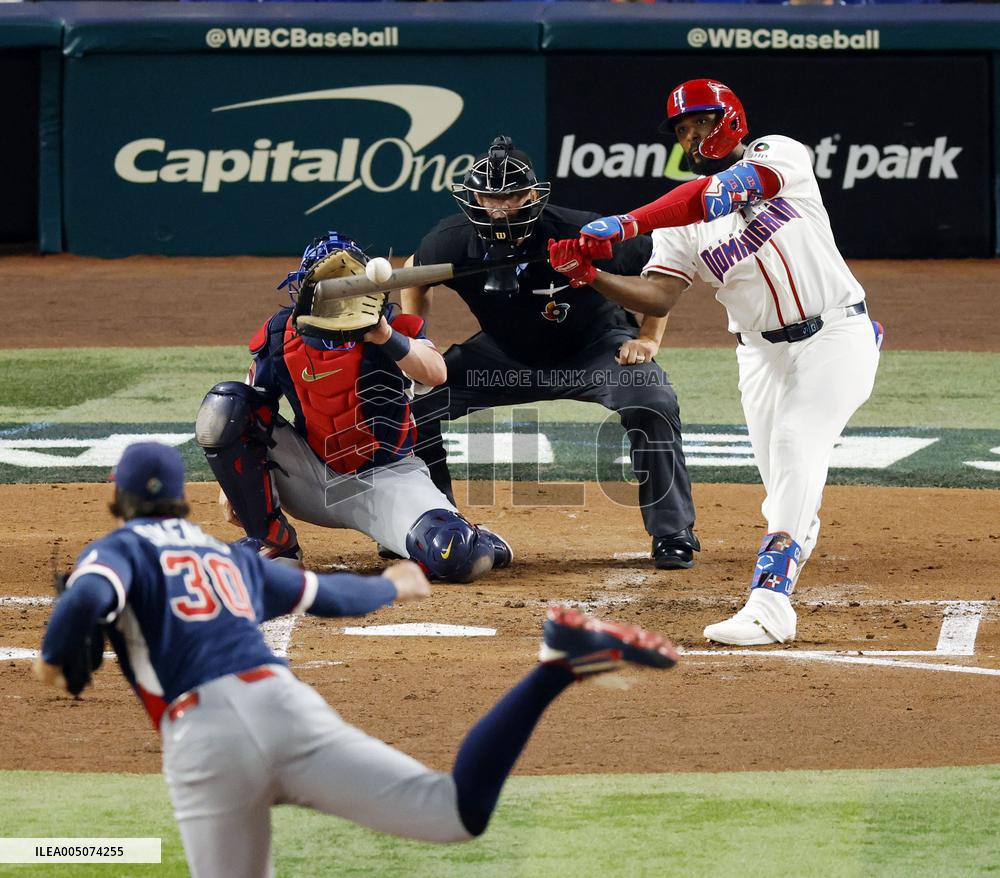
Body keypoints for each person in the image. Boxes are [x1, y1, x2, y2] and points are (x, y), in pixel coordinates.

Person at [34, 441, 679, 878]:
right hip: (283, 707)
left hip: (204, 736)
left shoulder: (116, 550)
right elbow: (325, 595)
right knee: (455, 811)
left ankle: (557, 666)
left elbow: (88, 598)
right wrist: (394, 585)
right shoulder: (226, 556)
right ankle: (554, 667)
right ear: (183, 499)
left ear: (115, 500)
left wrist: (57, 656)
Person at [548, 79, 883, 646]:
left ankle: (770, 603)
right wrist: (590, 276)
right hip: (759, 357)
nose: (692, 134)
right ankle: (794, 528)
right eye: (682, 129)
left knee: (796, 442)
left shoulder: (779, 154)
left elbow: (715, 194)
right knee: (782, 486)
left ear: (730, 116)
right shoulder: (683, 224)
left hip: (837, 335)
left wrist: (625, 224)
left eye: (700, 120)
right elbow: (658, 297)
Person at [402, 135, 700, 570]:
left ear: (532, 195)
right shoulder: (450, 240)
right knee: (410, 405)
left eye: (511, 196)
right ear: (474, 197)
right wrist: (419, 341)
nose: (499, 208)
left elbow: (662, 272)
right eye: (489, 197)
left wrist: (649, 337)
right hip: (505, 358)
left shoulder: (579, 231)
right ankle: (430, 524)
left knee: (651, 400)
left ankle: (673, 533)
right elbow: (415, 276)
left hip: (595, 351)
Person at [194, 231, 511, 584]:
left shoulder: (389, 327)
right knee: (224, 406)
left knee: (453, 555)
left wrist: (384, 335)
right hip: (312, 475)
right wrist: (234, 486)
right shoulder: (280, 334)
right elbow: (248, 411)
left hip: (387, 481)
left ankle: (475, 537)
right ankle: (272, 542)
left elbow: (436, 373)